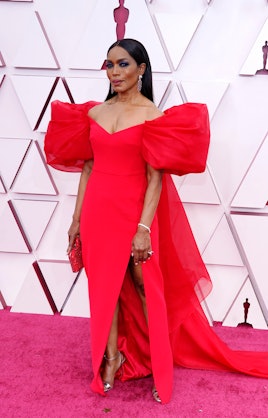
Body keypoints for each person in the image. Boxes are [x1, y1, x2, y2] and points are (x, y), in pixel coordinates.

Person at [44, 39, 268, 405]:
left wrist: (143, 228)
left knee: (145, 286)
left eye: (123, 65)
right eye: (110, 65)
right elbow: (87, 168)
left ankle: (159, 362)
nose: (115, 73)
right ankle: (112, 358)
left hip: (134, 212)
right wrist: (75, 219)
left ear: (141, 69)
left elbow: (155, 178)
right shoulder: (96, 113)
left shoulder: (153, 116)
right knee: (106, 287)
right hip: (98, 212)